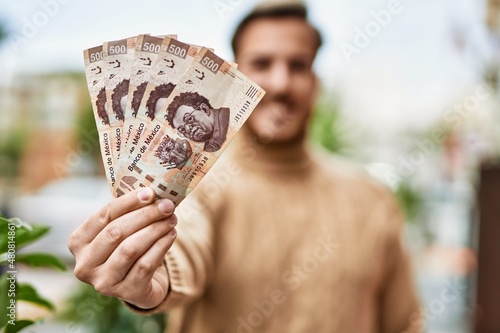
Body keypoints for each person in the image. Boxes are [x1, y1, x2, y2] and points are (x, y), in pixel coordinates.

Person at [68, 1, 422, 332]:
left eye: (298, 65)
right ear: (235, 80)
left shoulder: (372, 199)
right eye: (262, 64)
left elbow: (404, 322)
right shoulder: (195, 185)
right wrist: (150, 276)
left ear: (315, 82)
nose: (281, 83)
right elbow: (182, 252)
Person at [165, 91, 230, 152]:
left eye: (189, 119)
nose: (188, 129)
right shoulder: (210, 146)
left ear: (204, 109)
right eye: (182, 129)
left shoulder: (229, 120)